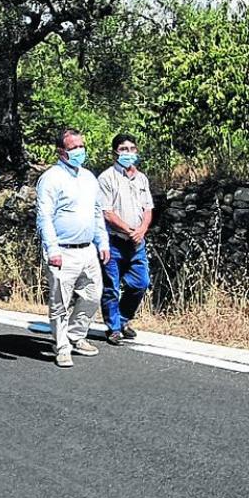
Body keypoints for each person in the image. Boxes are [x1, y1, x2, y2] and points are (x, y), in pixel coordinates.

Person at [35, 128, 111, 368]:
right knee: (60, 300)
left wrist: (103, 241)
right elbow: (44, 216)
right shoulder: (51, 178)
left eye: (81, 146)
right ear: (61, 151)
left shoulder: (89, 177)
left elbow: (97, 212)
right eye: (73, 147)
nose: (79, 151)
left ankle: (76, 335)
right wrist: (52, 249)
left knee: (93, 294)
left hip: (87, 248)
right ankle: (61, 346)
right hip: (62, 249)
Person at [98, 134, 154, 345]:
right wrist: (129, 230)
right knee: (111, 286)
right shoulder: (107, 178)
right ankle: (113, 328)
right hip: (115, 241)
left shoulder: (141, 179)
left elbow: (148, 208)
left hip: (137, 242)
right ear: (115, 152)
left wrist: (142, 229)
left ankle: (122, 319)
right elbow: (107, 212)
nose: (128, 153)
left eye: (131, 148)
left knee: (141, 283)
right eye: (123, 149)